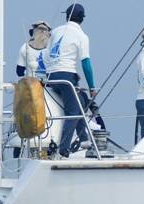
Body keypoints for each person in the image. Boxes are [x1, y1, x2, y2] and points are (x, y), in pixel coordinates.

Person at [44, 3, 97, 157]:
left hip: (51, 78)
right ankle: (63, 149)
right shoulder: (82, 36)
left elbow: (47, 55)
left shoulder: (55, 32)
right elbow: (86, 63)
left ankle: (84, 139)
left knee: (80, 99)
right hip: (67, 78)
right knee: (73, 112)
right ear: (82, 19)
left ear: (67, 16)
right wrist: (92, 87)